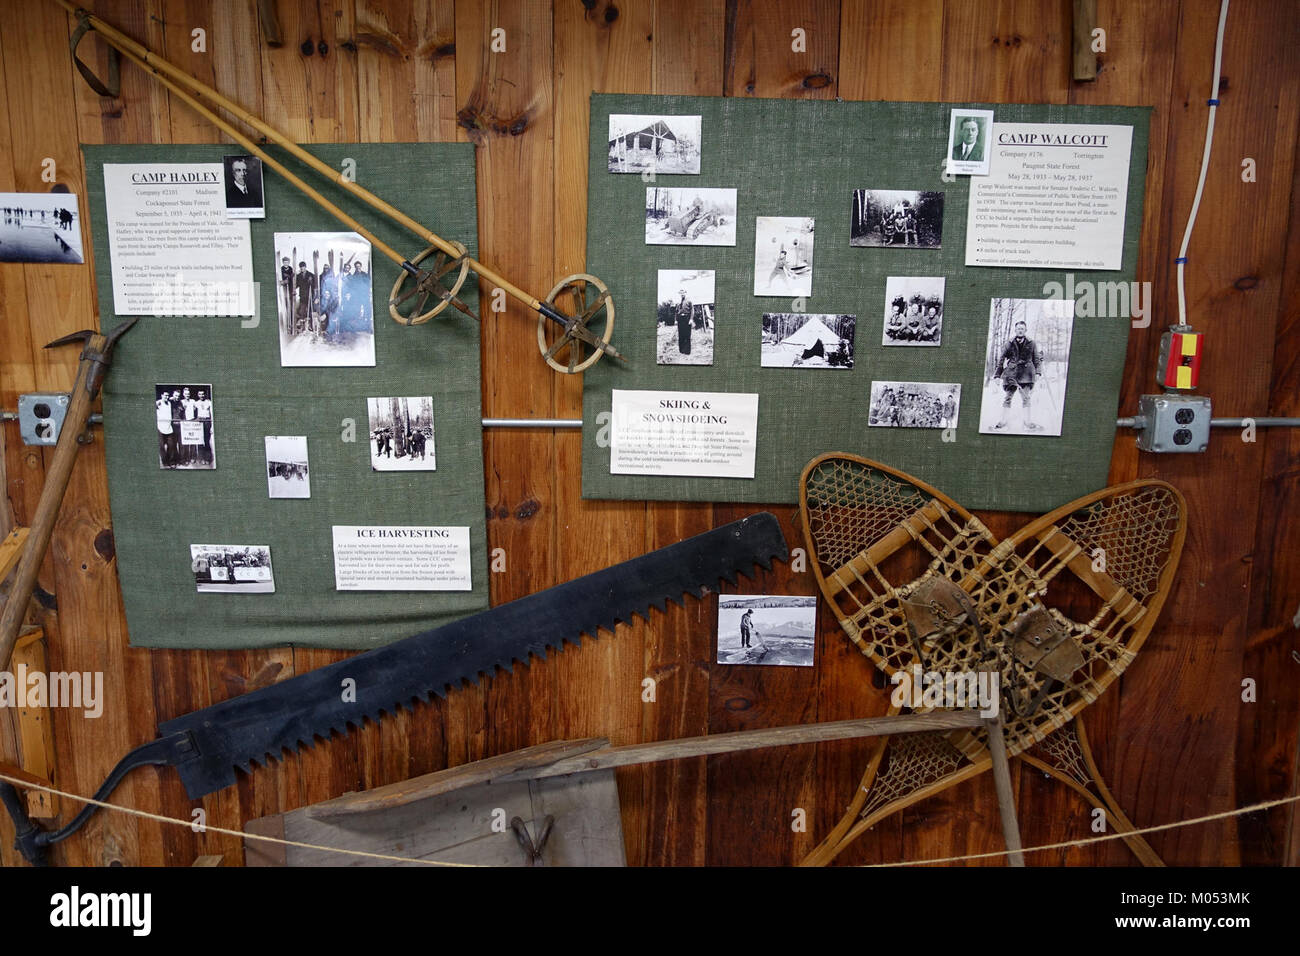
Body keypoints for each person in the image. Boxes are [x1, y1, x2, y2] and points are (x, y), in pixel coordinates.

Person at [993, 319, 1043, 430]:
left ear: (1025, 330)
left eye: (1022, 329)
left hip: (1026, 374)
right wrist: (997, 375)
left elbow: (1037, 359)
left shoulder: (1032, 343)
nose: (1020, 331)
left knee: (1026, 398)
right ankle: (1003, 420)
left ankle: (1027, 421)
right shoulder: (1009, 343)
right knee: (1008, 397)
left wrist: (1038, 372)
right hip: (1012, 373)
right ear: (1015, 330)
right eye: (1018, 329)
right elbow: (1001, 359)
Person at [674, 288, 693, 356]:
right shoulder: (678, 302)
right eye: (681, 293)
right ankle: (681, 350)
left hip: (687, 318)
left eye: (683, 293)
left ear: (685, 293)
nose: (682, 294)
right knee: (681, 335)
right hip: (680, 319)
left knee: (687, 335)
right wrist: (676, 320)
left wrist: (691, 319)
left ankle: (687, 351)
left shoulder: (689, 301)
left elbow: (692, 310)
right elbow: (676, 312)